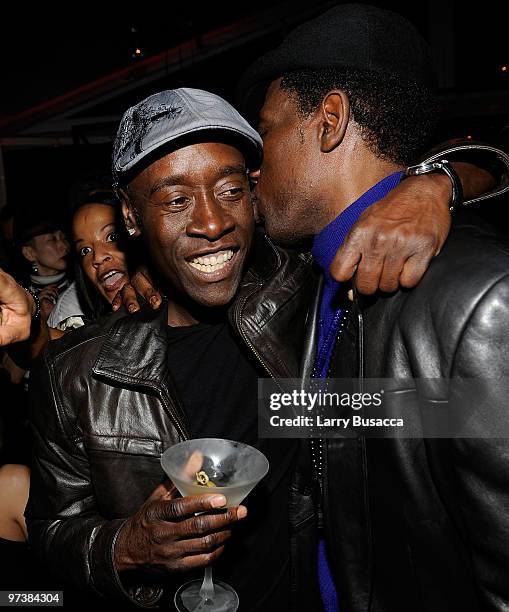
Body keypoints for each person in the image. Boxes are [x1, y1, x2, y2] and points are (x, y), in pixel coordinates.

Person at [237, 3, 509, 610]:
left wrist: (447, 179)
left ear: (329, 120)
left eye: (268, 131)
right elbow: (365, 439)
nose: (258, 167)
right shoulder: (323, 278)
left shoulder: (478, 300)